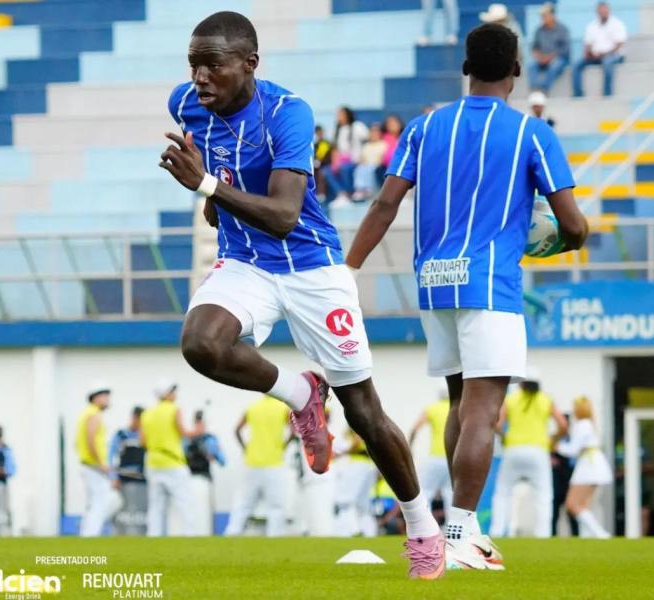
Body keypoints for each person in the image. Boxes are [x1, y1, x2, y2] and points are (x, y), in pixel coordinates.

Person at [159, 11, 444, 578]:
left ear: (250, 64)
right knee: (200, 343)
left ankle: (423, 530)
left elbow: (286, 215)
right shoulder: (185, 103)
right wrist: (215, 195)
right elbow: (217, 164)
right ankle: (300, 393)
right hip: (246, 263)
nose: (200, 77)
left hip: (311, 267)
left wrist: (207, 187)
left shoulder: (288, 113)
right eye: (193, 64)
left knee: (364, 412)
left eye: (213, 65)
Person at [345, 22, 587, 570]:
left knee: (459, 403)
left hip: (434, 283)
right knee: (483, 411)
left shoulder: (424, 127)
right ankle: (459, 534)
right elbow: (572, 225)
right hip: (490, 285)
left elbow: (384, 204)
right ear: (517, 70)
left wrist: (349, 268)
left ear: (465, 68)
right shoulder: (532, 133)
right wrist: (563, 239)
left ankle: (459, 530)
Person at [491, 371, 568, 539]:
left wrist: (504, 438)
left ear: (521, 383)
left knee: (503, 492)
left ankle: (497, 531)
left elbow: (497, 424)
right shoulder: (546, 399)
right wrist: (553, 439)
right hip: (538, 450)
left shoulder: (511, 399)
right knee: (544, 495)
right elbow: (563, 424)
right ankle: (543, 534)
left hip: (513, 449)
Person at [227, 395, 290, 536]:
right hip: (274, 462)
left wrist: (245, 448)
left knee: (243, 502)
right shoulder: (282, 408)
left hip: (252, 462)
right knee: (276, 505)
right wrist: (284, 446)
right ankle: (275, 535)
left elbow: (237, 429)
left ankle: (232, 533)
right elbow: (294, 430)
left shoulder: (252, 407)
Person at [140, 380, 196, 536]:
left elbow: (142, 441)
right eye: (172, 391)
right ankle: (190, 535)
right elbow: (184, 432)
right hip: (173, 462)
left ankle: (153, 536)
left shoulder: (146, 413)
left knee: (156, 505)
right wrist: (198, 430)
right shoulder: (174, 409)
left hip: (153, 463)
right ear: (166, 394)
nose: (175, 394)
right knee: (185, 502)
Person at [555, 396, 612, 538]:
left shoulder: (582, 425)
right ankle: (586, 536)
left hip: (589, 467)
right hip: (590, 465)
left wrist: (556, 446)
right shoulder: (589, 424)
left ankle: (600, 534)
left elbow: (572, 450)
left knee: (572, 504)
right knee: (583, 505)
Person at [76, 385, 116, 537]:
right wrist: (101, 463)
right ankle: (90, 535)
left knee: (93, 503)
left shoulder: (87, 413)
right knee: (100, 503)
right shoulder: (93, 414)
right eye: (105, 396)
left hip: (89, 465)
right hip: (94, 466)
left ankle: (86, 534)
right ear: (96, 397)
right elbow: (91, 440)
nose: (108, 399)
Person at [409, 390, 453, 517]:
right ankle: (451, 526)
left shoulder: (433, 408)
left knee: (425, 492)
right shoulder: (456, 409)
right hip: (452, 460)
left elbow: (415, 429)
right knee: (450, 495)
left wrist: (410, 448)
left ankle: (424, 524)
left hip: (436, 458)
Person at [572, 2, 627, 97]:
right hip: (595, 56)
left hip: (613, 55)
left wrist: (604, 54)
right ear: (597, 12)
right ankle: (578, 94)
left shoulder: (617, 24)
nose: (603, 13)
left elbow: (619, 45)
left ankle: (607, 94)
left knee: (607, 62)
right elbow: (588, 44)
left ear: (609, 11)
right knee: (576, 65)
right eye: (601, 11)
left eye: (605, 11)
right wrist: (589, 53)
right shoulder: (591, 26)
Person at [185, 410, 226, 535]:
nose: (199, 426)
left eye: (201, 423)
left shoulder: (210, 439)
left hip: (205, 479)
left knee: (205, 511)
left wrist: (213, 453)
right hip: (188, 480)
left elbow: (222, 461)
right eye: (197, 423)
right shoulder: (187, 439)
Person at [108, 406, 147, 535]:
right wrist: (113, 477)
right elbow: (111, 456)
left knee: (141, 513)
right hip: (124, 481)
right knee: (124, 513)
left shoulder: (145, 436)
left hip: (143, 481)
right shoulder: (121, 435)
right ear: (134, 418)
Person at [334, 430, 378, 537]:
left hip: (358, 464)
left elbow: (357, 441)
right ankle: (369, 532)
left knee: (345, 500)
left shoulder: (357, 424)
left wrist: (342, 453)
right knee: (363, 503)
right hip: (369, 465)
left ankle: (351, 530)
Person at [325, 106, 369, 206]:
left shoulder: (357, 126)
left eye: (341, 114)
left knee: (345, 169)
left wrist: (363, 157)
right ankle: (342, 194)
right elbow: (334, 148)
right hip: (341, 160)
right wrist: (335, 162)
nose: (339, 117)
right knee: (327, 171)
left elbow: (367, 141)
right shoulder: (336, 130)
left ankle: (349, 193)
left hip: (356, 160)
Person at [528, 3, 570, 93]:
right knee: (531, 66)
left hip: (558, 59)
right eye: (542, 16)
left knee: (554, 66)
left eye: (545, 15)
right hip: (542, 59)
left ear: (552, 15)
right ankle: (535, 90)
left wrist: (550, 57)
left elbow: (565, 49)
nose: (543, 18)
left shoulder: (562, 29)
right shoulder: (539, 30)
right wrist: (539, 57)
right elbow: (534, 47)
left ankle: (543, 90)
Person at [352, 123, 387, 201]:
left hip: (377, 165)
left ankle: (369, 189)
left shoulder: (383, 144)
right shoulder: (366, 145)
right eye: (372, 131)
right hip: (366, 165)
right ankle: (360, 190)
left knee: (370, 170)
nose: (374, 134)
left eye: (376, 131)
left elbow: (383, 157)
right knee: (359, 169)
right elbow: (362, 158)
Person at [313, 125, 333, 203]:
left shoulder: (326, 143)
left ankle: (321, 193)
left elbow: (325, 156)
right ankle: (314, 193)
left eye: (320, 132)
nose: (319, 134)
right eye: (317, 133)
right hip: (317, 166)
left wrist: (319, 162)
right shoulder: (315, 144)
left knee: (322, 172)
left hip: (327, 165)